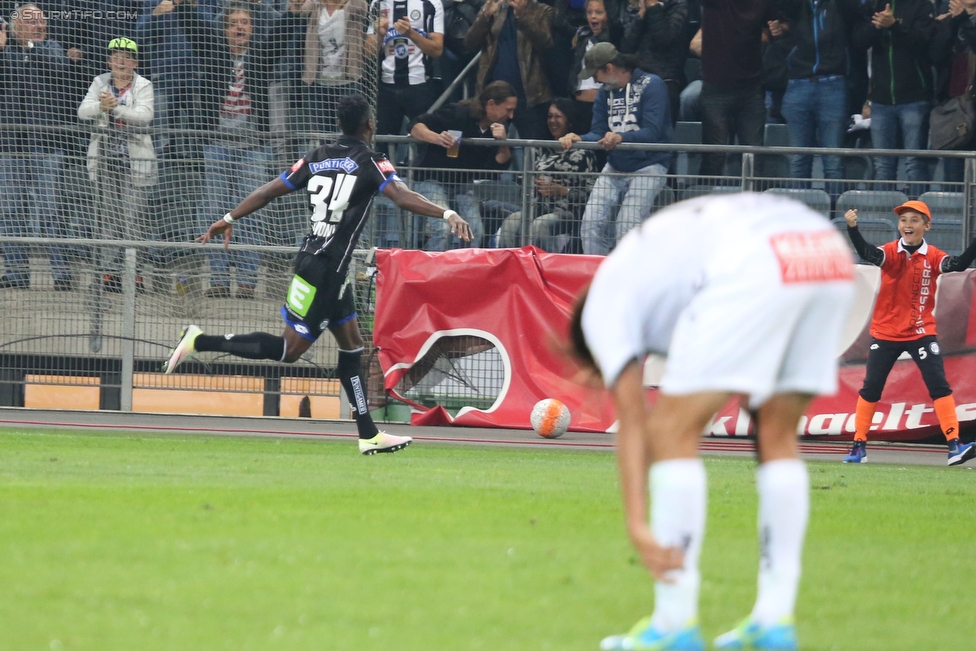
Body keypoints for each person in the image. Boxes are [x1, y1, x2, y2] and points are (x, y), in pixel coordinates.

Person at [568, 192, 856, 651]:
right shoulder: (649, 270)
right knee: (777, 433)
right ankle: (773, 621)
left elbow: (635, 420)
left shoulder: (604, 304)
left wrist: (637, 525)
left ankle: (674, 625)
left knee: (672, 431)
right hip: (825, 253)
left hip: (756, 260)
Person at [162, 93, 474, 455]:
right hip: (327, 270)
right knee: (288, 350)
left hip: (315, 259)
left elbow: (267, 191)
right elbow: (402, 197)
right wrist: (447, 213)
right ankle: (200, 340)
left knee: (352, 349)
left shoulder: (317, 156)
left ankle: (368, 434)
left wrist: (228, 219)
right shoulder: (372, 161)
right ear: (369, 125)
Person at [842, 201, 976, 466]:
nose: (907, 225)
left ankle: (954, 446)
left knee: (939, 387)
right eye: (904, 220)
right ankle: (858, 446)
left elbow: (958, 265)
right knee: (871, 389)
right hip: (886, 332)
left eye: (914, 220)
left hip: (921, 332)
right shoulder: (890, 252)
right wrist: (853, 229)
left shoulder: (934, 256)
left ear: (926, 226)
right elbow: (869, 254)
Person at [167, 0, 283, 299]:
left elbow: (286, 30)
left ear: (253, 29)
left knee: (253, 213)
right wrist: (184, 6)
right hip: (218, 145)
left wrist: (294, 11)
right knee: (215, 210)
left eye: (245, 22)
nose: (240, 27)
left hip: (254, 147)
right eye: (233, 23)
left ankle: (246, 281)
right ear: (225, 30)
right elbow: (194, 29)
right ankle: (218, 278)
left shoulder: (262, 56)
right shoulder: (214, 53)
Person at [559, 43, 673, 255]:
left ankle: (630, 280)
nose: (595, 81)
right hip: (615, 165)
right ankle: (599, 278)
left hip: (649, 165)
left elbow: (653, 132)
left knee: (627, 226)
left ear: (609, 68)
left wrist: (621, 137)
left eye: (596, 74)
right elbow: (599, 132)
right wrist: (579, 138)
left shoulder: (652, 85)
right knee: (590, 224)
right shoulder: (604, 94)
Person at [0, 3, 74, 290]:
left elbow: (58, 66)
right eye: (32, 21)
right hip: (9, 146)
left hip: (46, 145)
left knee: (50, 211)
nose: (40, 25)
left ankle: (62, 274)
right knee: (10, 211)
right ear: (15, 24)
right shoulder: (6, 51)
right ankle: (17, 275)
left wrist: (30, 44)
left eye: (42, 21)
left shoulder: (51, 47)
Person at [77, 37, 157, 293]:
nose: (121, 61)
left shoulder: (144, 85)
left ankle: (135, 276)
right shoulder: (100, 82)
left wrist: (116, 109)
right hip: (105, 162)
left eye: (126, 57)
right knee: (108, 222)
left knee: (133, 222)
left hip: (135, 162)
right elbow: (82, 111)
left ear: (135, 62)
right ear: (109, 60)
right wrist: (102, 105)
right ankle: (107, 275)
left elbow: (145, 117)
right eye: (115, 56)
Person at [409, 80, 516, 250]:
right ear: (491, 104)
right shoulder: (458, 112)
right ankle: (430, 272)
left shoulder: (498, 129)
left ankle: (463, 272)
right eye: (508, 110)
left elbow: (498, 164)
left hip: (462, 183)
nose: (510, 116)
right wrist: (436, 138)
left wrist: (503, 142)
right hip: (432, 179)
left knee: (475, 231)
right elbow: (416, 125)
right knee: (443, 230)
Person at [777, 0, 868, 192]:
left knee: (833, 160)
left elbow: (861, 9)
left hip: (833, 85)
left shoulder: (841, 6)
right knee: (798, 160)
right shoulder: (796, 6)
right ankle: (800, 219)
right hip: (797, 85)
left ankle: (835, 217)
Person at [853, 0, 935, 189]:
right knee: (883, 165)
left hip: (914, 98)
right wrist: (876, 26)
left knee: (915, 163)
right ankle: (884, 216)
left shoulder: (922, 6)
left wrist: (894, 26)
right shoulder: (874, 6)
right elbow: (858, 42)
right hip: (881, 100)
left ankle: (917, 215)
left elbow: (922, 42)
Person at [497, 98, 598, 251]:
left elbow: (592, 195)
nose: (552, 121)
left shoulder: (584, 154)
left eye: (558, 116)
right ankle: (510, 268)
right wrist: (532, 186)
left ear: (569, 120)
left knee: (540, 226)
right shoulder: (541, 149)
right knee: (511, 222)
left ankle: (541, 269)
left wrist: (563, 191)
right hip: (538, 207)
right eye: (550, 116)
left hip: (569, 212)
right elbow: (523, 188)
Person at [697, 0, 783, 177]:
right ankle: (707, 202)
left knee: (754, 157)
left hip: (751, 89)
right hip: (715, 88)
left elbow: (782, 22)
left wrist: (779, 28)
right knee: (714, 156)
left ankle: (753, 202)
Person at [464, 0, 553, 140]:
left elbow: (545, 43)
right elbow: (469, 43)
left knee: (532, 149)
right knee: (490, 146)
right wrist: (485, 17)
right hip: (495, 95)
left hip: (530, 95)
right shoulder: (494, 9)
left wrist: (522, 16)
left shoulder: (543, 11)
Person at [366, 0, 444, 143]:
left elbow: (437, 50)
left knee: (424, 144)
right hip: (386, 86)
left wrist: (411, 33)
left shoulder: (431, 3)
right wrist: (380, 34)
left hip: (420, 85)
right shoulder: (377, 3)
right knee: (383, 144)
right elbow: (368, 52)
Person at [620, 0, 691, 124]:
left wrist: (654, 8)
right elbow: (627, 47)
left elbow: (663, 39)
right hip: (638, 76)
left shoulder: (678, 6)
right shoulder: (635, 7)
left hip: (666, 78)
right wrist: (641, 15)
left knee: (656, 129)